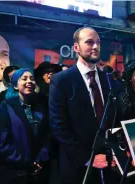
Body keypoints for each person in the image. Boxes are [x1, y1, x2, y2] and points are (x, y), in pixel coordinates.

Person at [49, 27, 117, 184]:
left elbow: (113, 117)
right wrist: (88, 158)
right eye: (89, 42)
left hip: (110, 162)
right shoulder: (61, 80)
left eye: (98, 42)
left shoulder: (107, 79)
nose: (95, 47)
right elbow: (59, 127)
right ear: (76, 47)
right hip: (79, 167)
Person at [0, 68, 51, 184]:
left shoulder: (41, 107)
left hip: (39, 170)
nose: (29, 81)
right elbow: (3, 142)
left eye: (32, 79)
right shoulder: (6, 106)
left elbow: (47, 135)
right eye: (24, 79)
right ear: (15, 86)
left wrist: (40, 160)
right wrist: (26, 162)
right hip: (14, 172)